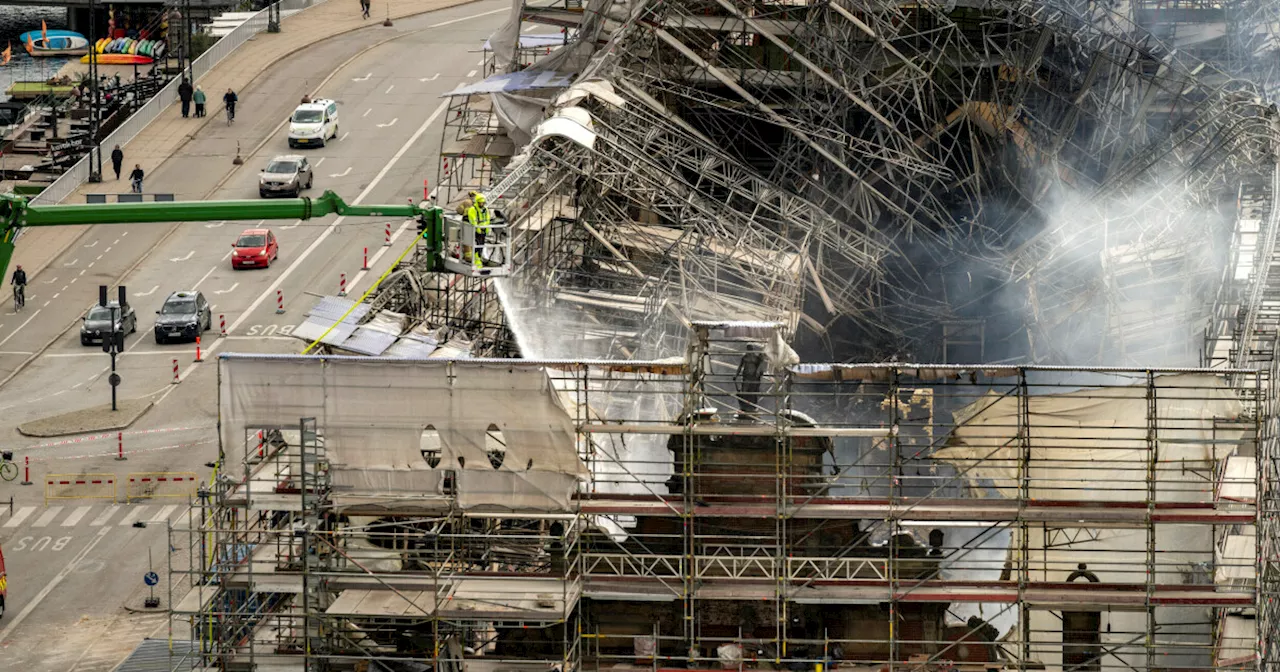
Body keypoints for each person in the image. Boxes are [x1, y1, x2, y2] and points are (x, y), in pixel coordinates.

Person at [734, 344, 768, 416]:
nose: (750, 350)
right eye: (749, 349)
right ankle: (745, 406)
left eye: (751, 349)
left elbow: (761, 364)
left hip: (753, 377)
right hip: (746, 376)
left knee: (753, 391)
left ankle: (752, 406)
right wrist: (736, 375)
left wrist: (758, 370)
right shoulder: (744, 357)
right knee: (744, 391)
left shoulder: (756, 358)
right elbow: (740, 367)